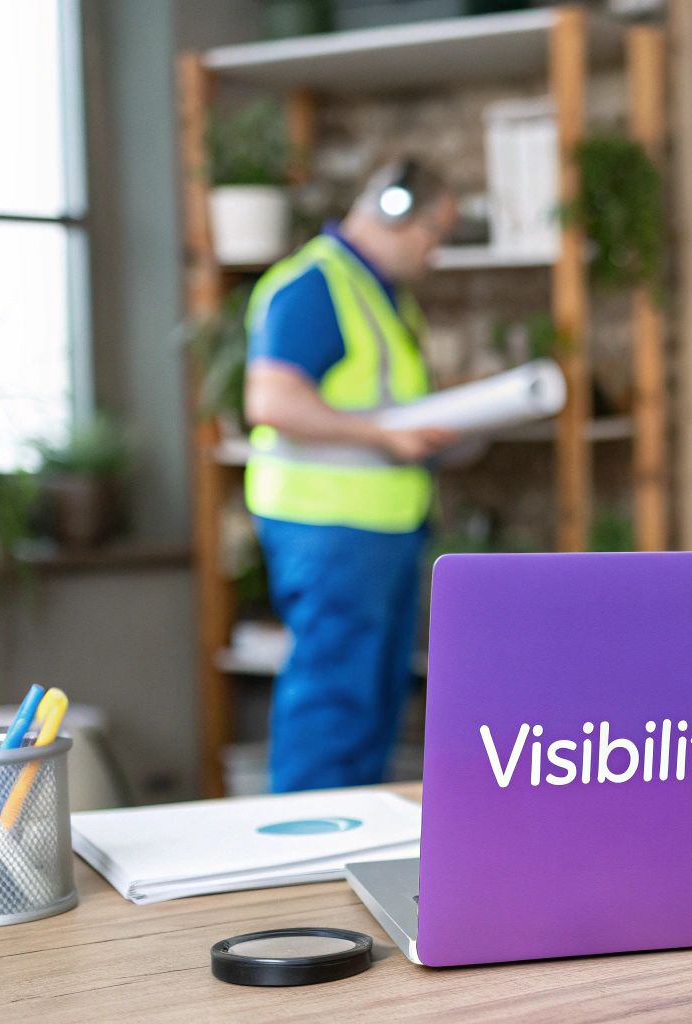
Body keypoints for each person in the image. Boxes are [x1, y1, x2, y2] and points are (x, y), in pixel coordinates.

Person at [242, 157, 460, 792]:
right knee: (332, 709)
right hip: (330, 531)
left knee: (370, 711)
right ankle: (307, 842)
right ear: (395, 212)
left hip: (379, 530)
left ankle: (353, 843)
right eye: (434, 233)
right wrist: (383, 435)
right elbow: (272, 401)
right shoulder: (314, 286)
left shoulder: (381, 295)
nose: (436, 253)